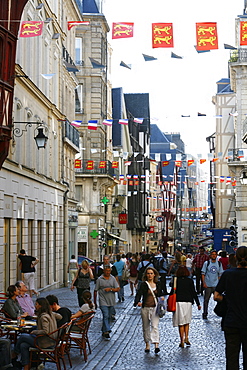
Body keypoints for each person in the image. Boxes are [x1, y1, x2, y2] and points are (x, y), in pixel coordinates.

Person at [214, 246, 247, 369]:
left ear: (236, 258)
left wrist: (227, 299)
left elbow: (216, 296)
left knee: (232, 357)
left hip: (231, 320)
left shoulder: (228, 274)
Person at [13, 297, 62, 370]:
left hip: (45, 342)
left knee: (22, 336)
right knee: (24, 345)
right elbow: (60, 317)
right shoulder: (51, 314)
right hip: (52, 341)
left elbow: (46, 331)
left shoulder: (44, 317)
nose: (35, 306)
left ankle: (14, 354)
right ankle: (26, 366)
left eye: (36, 304)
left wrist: (35, 332)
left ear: (40, 306)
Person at [134, 267, 164, 354]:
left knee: (155, 326)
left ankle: (156, 344)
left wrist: (162, 298)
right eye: (148, 273)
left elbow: (161, 293)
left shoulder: (158, 284)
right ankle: (147, 344)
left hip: (155, 308)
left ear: (154, 274)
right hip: (145, 308)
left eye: (151, 273)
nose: (150, 275)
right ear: (146, 275)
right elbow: (139, 294)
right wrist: (138, 302)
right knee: (146, 327)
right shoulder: (144, 284)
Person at [172, 266, 201, 348]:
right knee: (187, 321)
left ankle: (181, 340)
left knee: (180, 323)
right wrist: (198, 303)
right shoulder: (190, 281)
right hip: (188, 302)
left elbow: (172, 292)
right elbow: (193, 292)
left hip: (178, 302)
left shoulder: (176, 281)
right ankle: (187, 337)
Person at [94, 265, 120, 339]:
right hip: (102, 300)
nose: (108, 272)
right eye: (106, 271)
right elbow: (95, 290)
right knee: (105, 315)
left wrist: (111, 289)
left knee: (108, 316)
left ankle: (104, 331)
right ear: (103, 271)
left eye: (109, 271)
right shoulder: (100, 279)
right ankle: (108, 329)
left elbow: (118, 288)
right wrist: (95, 301)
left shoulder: (113, 279)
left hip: (111, 301)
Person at [201, 249, 223, 319]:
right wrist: (204, 283)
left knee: (219, 299)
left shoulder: (219, 264)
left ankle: (219, 311)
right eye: (212, 254)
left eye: (215, 254)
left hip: (216, 285)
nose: (214, 256)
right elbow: (203, 274)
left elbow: (220, 274)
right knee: (206, 300)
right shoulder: (206, 263)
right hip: (208, 285)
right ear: (210, 255)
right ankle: (205, 313)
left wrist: (219, 284)